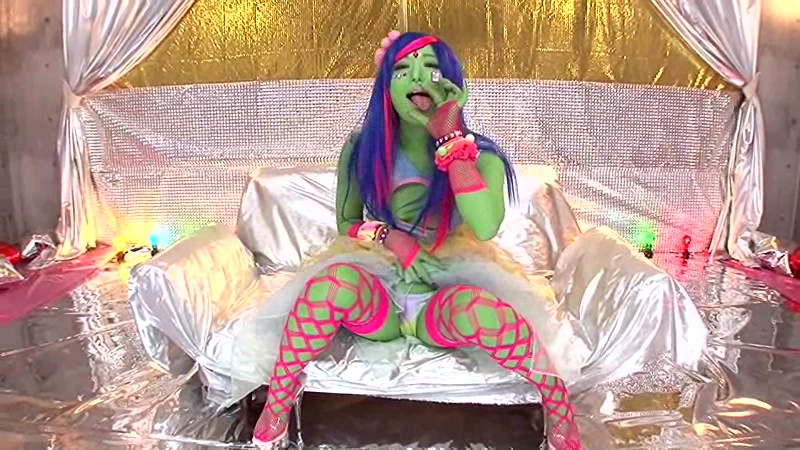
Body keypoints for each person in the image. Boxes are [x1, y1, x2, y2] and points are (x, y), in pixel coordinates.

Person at [251, 31, 583, 450]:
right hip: (379, 288)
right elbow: (347, 223)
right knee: (328, 287)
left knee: (482, 313)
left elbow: (484, 226)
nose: (418, 79)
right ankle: (277, 406)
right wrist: (391, 237)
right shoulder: (361, 148)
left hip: (443, 290)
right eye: (403, 70)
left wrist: (449, 137)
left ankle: (558, 404)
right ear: (386, 86)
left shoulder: (482, 157)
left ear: (453, 85)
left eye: (431, 69)